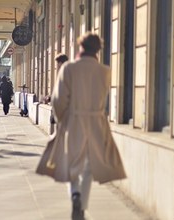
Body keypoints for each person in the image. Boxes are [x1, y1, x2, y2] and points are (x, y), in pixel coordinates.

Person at [36, 33, 126, 220]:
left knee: (71, 164)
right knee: (89, 167)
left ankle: (75, 195)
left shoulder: (69, 68)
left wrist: (63, 121)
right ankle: (82, 206)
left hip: (74, 121)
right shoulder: (105, 71)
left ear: (81, 46)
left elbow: (59, 100)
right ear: (98, 50)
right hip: (96, 122)